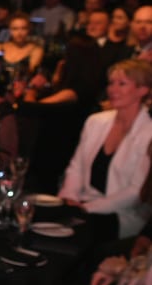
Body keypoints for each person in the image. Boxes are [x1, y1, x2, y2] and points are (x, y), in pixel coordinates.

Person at [59, 59, 152, 238]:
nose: (112, 89)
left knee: (79, 235)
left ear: (143, 90)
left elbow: (136, 191)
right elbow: (76, 166)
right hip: (82, 204)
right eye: (111, 83)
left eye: (122, 84)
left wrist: (87, 208)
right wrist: (69, 199)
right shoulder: (96, 121)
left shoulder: (149, 133)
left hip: (122, 214)